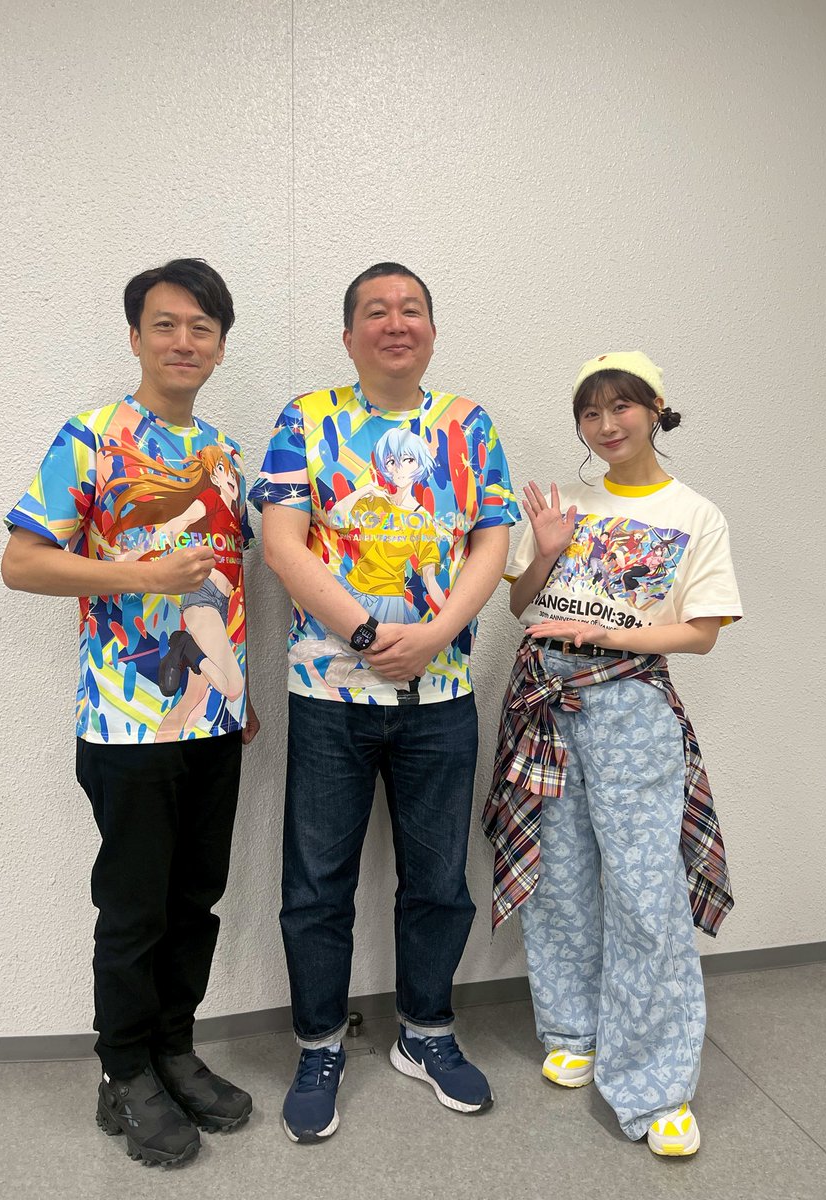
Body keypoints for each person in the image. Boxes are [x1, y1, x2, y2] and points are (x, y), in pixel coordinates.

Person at [251, 262, 519, 1143]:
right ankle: (319, 1043)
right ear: (349, 335)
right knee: (315, 885)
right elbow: (283, 544)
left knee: (439, 880)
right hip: (328, 692)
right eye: (376, 311)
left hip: (442, 694)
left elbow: (492, 538)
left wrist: (436, 633)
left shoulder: (468, 424)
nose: (395, 322)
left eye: (411, 310)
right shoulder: (306, 418)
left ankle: (426, 1031)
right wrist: (368, 634)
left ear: (432, 331)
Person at [1, 258, 258, 1168]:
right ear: (137, 336)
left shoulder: (226, 455)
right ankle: (123, 1071)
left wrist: (239, 691)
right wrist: (138, 575)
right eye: (166, 324)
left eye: (202, 328)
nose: (184, 341)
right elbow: (22, 561)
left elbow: (234, 584)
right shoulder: (93, 437)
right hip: (124, 721)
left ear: (221, 348)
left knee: (196, 899)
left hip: (214, 718)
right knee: (135, 907)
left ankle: (173, 1050)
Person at [483, 351, 742, 1157]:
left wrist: (608, 634)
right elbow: (521, 603)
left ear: (656, 408)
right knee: (560, 875)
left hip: (629, 704)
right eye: (590, 413)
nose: (606, 425)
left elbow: (702, 633)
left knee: (643, 891)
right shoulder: (567, 504)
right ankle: (573, 1028)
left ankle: (658, 1080)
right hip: (544, 701)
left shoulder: (695, 513)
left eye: (621, 406)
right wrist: (547, 549)